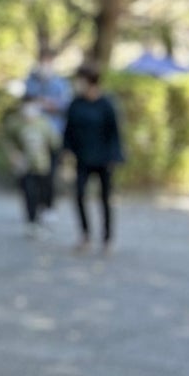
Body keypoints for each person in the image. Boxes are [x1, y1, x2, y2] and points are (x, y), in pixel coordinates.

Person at [62, 62, 126, 252]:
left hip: (104, 158)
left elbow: (115, 133)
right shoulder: (76, 103)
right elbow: (69, 131)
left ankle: (107, 238)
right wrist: (66, 152)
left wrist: (114, 157)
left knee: (105, 199)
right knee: (79, 195)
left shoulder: (107, 104)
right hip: (82, 158)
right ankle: (85, 234)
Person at [23, 47, 72, 210]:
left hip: (54, 135)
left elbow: (65, 105)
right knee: (34, 174)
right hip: (34, 136)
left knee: (50, 173)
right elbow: (27, 102)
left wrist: (47, 104)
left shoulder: (61, 83)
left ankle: (48, 205)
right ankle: (35, 207)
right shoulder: (31, 81)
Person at [4, 98, 58, 230]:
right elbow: (8, 141)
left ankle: (43, 213)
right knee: (29, 192)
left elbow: (54, 143)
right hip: (25, 166)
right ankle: (31, 220)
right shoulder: (15, 123)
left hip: (42, 165)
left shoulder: (44, 123)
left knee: (43, 191)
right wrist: (14, 155)